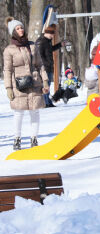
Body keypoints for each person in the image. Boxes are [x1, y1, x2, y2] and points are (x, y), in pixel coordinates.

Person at [3, 17, 49, 150]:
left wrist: (45, 80)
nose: (20, 30)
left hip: (34, 83)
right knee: (19, 113)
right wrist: (8, 88)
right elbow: (7, 69)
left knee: (35, 112)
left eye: (21, 27)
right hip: (19, 85)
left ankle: (34, 139)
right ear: (13, 32)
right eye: (17, 28)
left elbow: (40, 65)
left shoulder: (33, 45)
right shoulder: (9, 50)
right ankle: (17, 139)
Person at [36, 24, 62, 107]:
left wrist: (60, 45)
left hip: (49, 67)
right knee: (45, 85)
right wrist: (45, 64)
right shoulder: (41, 42)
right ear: (48, 33)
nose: (53, 36)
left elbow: (50, 50)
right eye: (52, 34)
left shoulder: (47, 41)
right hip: (44, 68)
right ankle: (45, 102)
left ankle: (48, 102)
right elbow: (39, 55)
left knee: (48, 85)